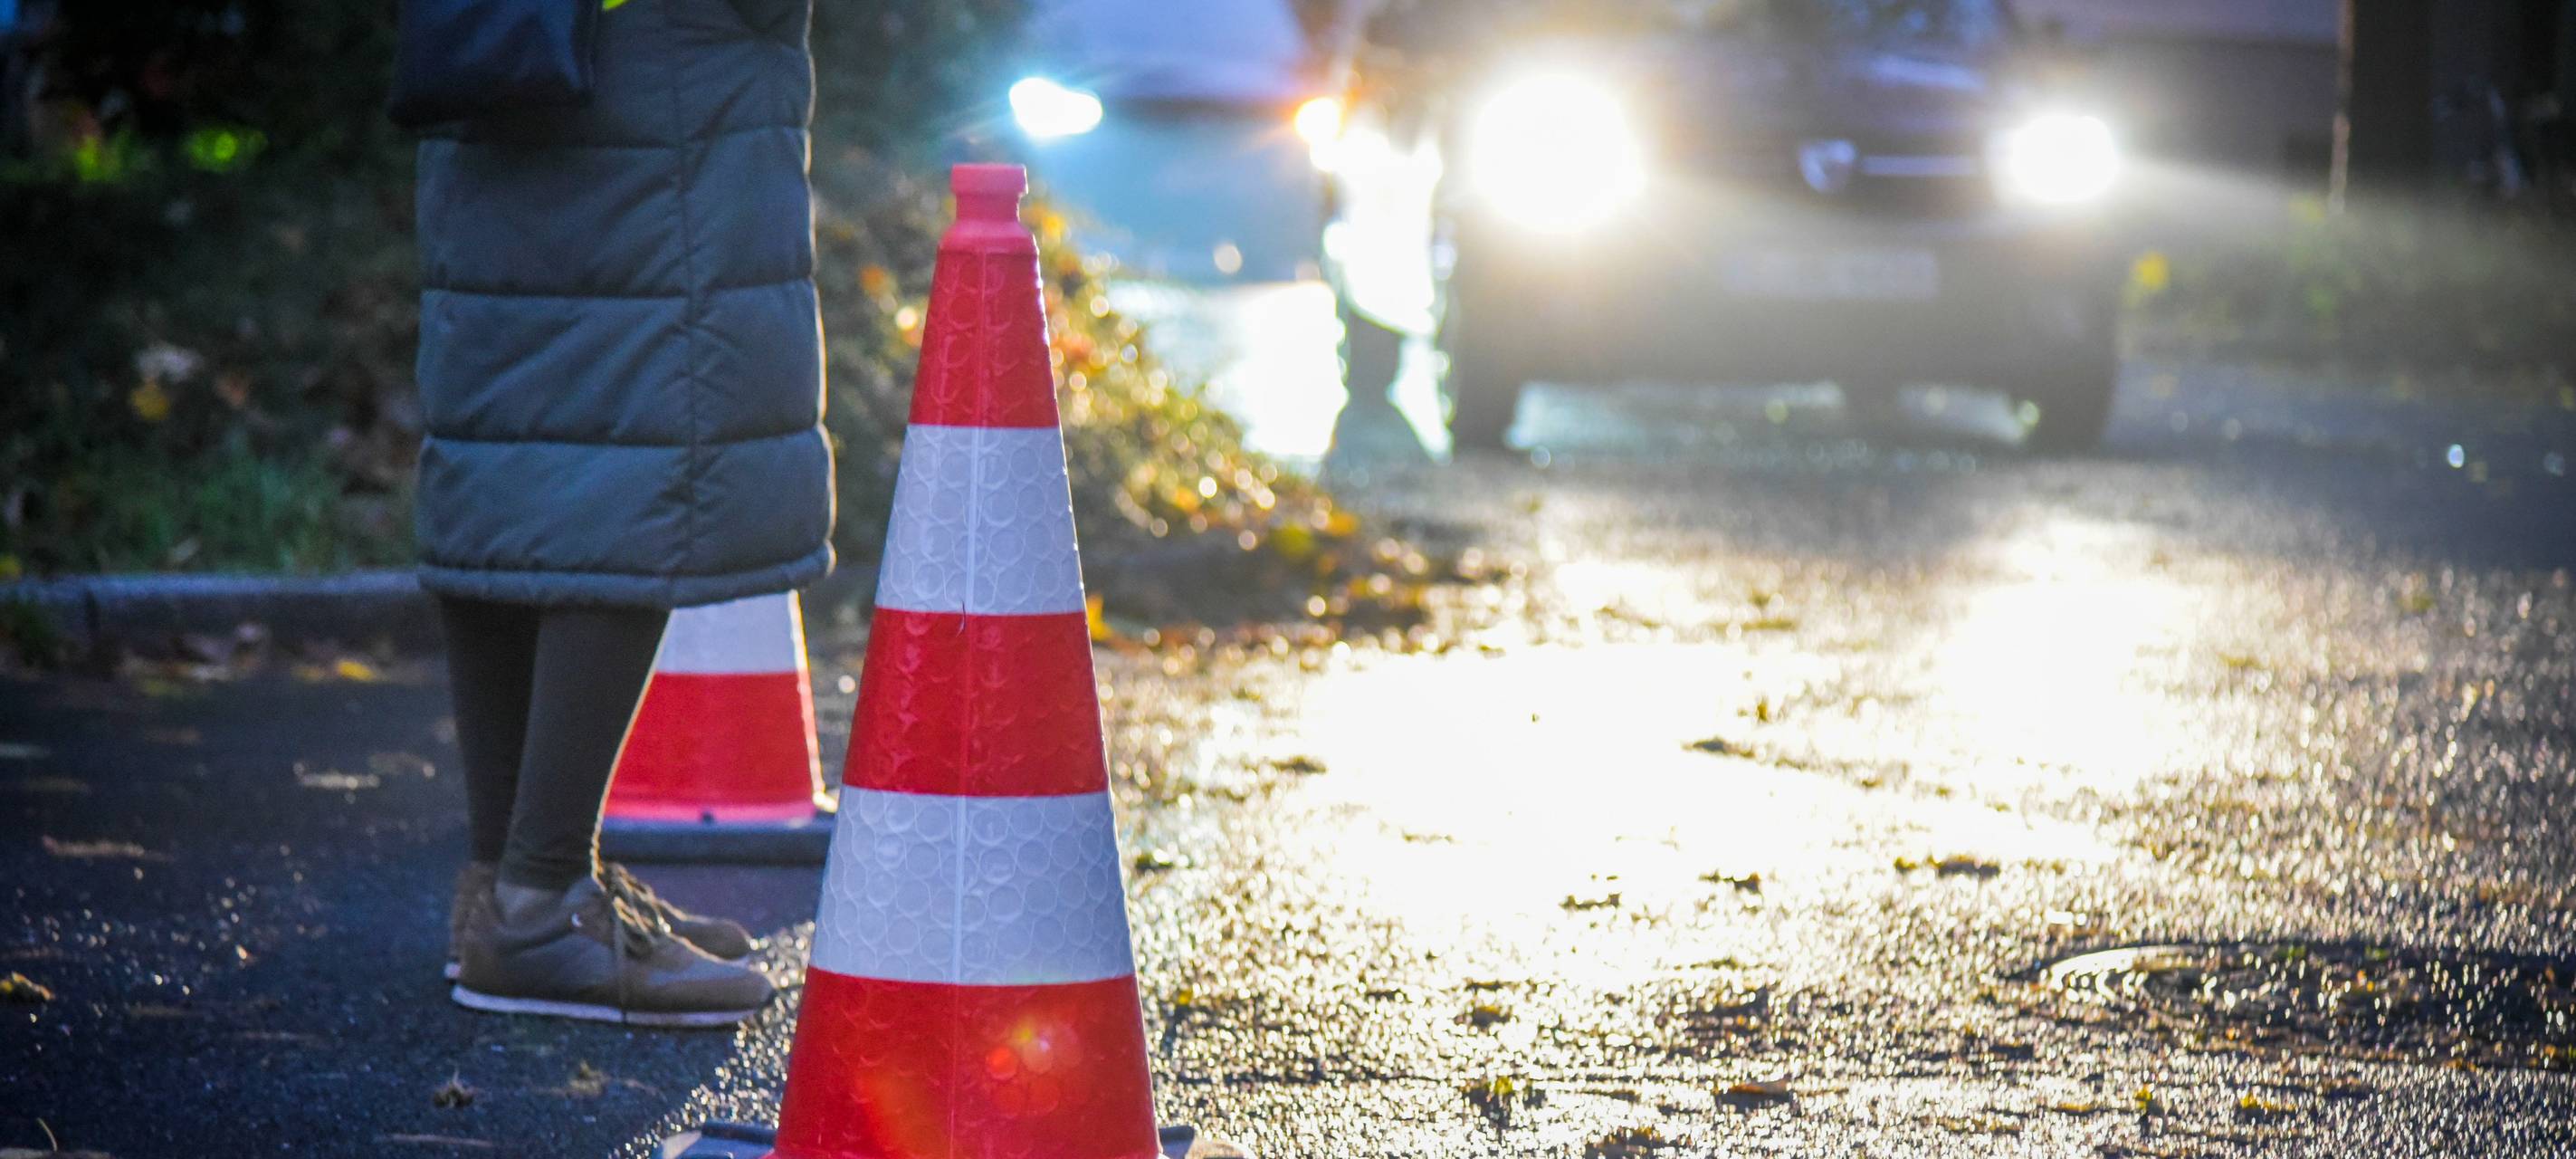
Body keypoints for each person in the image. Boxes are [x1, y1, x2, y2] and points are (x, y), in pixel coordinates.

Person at [410, 0, 834, 1026]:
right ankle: (539, 904)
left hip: (499, 46)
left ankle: (507, 887)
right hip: (662, 89)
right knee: (639, 464)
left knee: (510, 451)